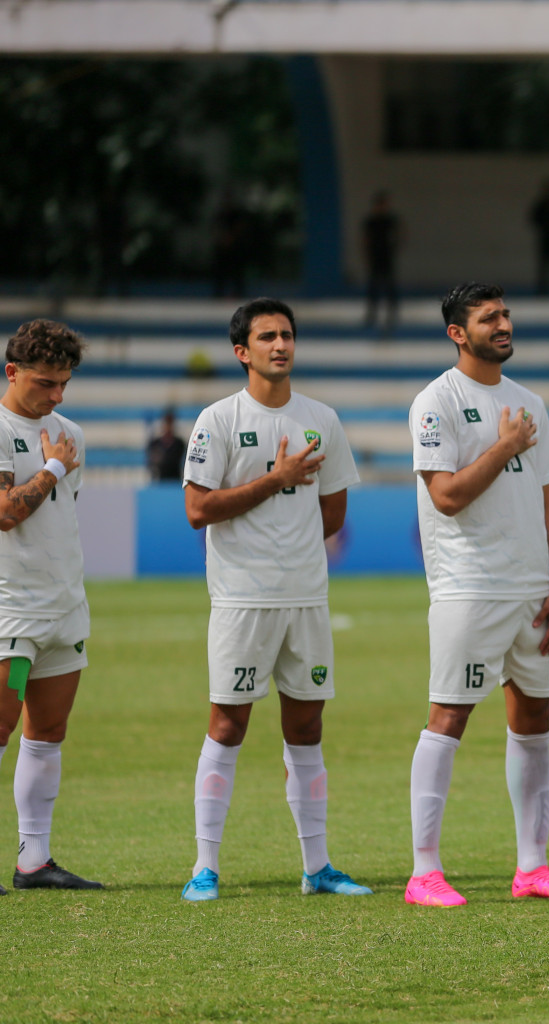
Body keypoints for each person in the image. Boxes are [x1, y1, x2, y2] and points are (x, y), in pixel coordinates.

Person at [179, 298, 370, 902]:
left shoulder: (323, 420)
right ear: (243, 351)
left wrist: (290, 542)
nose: (280, 345)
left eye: (287, 335)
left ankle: (317, 867)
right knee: (229, 722)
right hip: (241, 599)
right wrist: (275, 481)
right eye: (267, 337)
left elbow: (334, 513)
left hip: (307, 598)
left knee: (308, 726)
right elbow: (197, 510)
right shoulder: (218, 419)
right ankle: (204, 867)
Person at [404, 281, 549, 907]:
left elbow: (548, 497)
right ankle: (424, 871)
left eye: (505, 315)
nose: (502, 324)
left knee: (536, 717)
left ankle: (532, 866)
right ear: (458, 333)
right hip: (468, 586)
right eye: (488, 318)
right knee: (449, 716)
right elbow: (445, 497)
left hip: (532, 588)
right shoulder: (435, 401)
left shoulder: (527, 400)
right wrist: (504, 446)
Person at [0, 319, 99, 892]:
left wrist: (59, 464)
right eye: (45, 382)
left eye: (64, 383)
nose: (57, 395)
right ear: (12, 372)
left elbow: (60, 515)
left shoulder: (70, 432)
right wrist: (53, 467)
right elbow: (7, 513)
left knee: (48, 731)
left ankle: (33, 861)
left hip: (64, 608)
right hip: (10, 612)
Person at [362, 191, 401, 337]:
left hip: (387, 256)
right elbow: (365, 240)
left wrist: (395, 247)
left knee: (390, 286)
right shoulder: (371, 222)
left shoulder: (390, 220)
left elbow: (400, 233)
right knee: (373, 286)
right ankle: (372, 315)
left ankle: (392, 314)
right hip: (375, 257)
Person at [146, 406, 186, 482]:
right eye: (166, 423)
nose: (168, 426)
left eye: (170, 423)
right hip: (160, 481)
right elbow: (152, 463)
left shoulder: (179, 443)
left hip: (175, 481)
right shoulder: (155, 443)